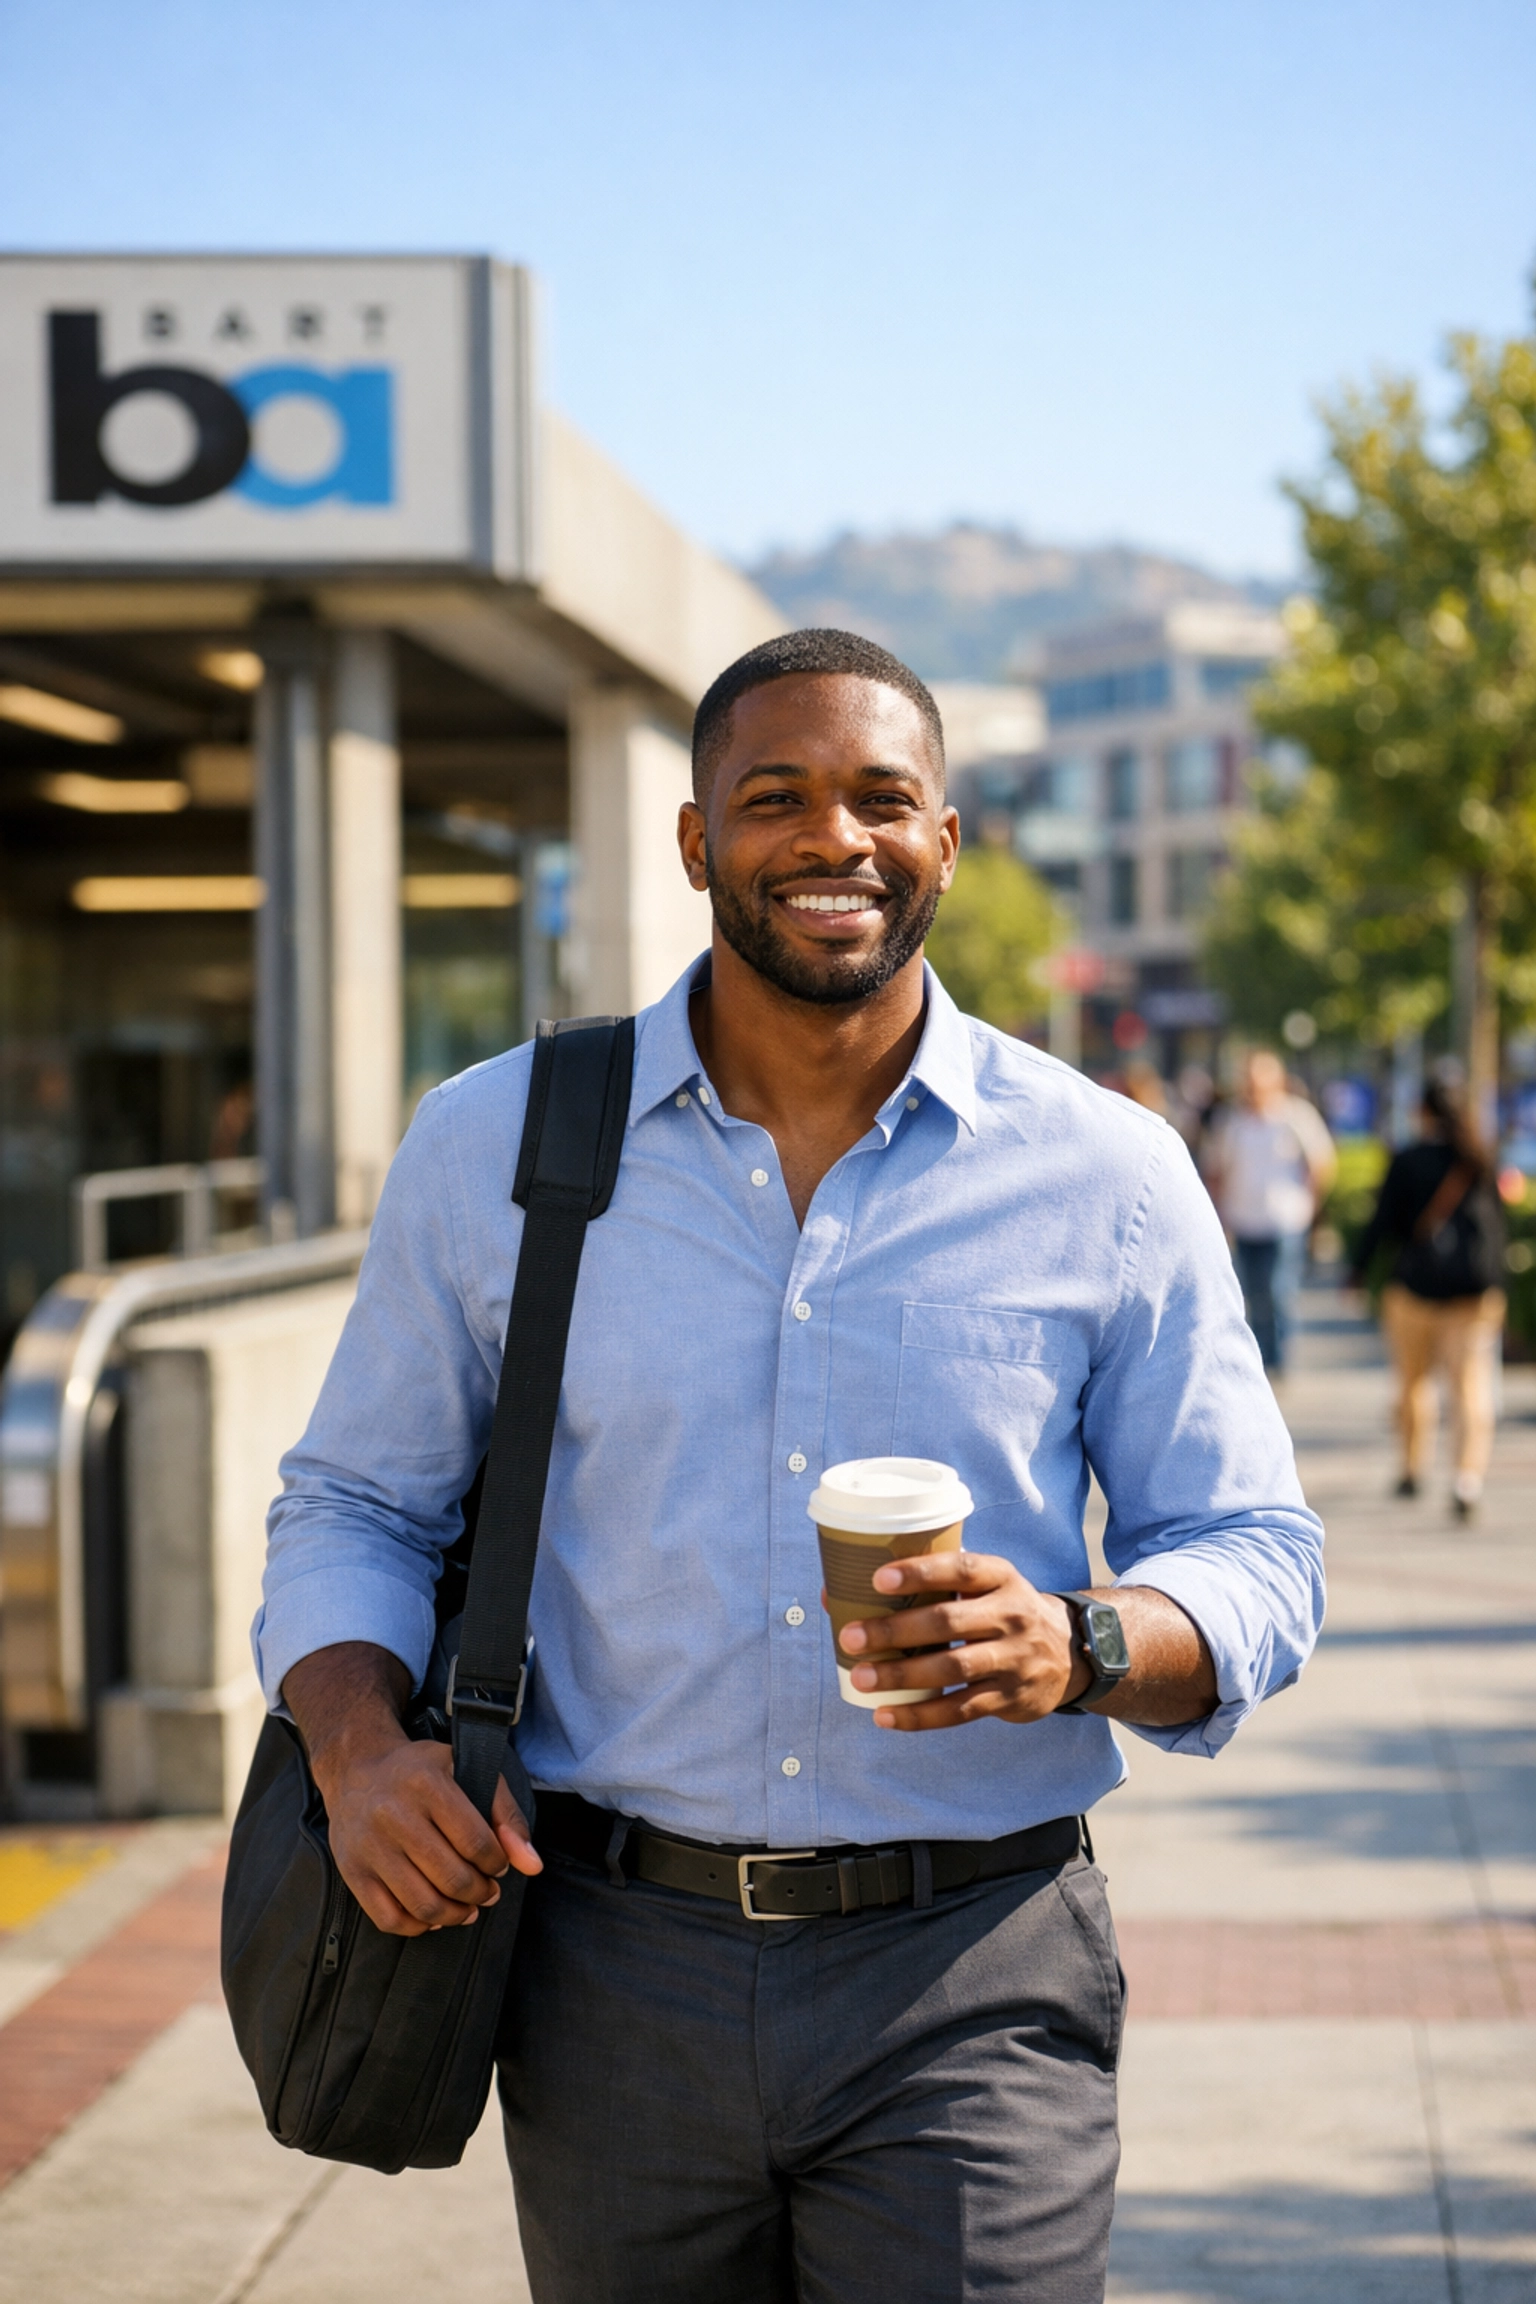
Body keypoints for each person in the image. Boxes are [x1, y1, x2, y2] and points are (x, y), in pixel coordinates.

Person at [256, 630, 1325, 2304]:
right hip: (610, 1968)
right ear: (696, 841)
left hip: (975, 1967)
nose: (835, 836)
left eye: (882, 797)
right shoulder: (500, 1143)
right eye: (775, 796)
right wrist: (355, 1748)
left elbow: (1254, 1542)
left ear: (947, 842)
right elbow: (358, 1503)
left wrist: (1078, 1641)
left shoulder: (1106, 1170)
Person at [1349, 1078, 1506, 1519]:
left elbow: (1382, 1222)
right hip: (1474, 1295)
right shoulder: (1479, 1159)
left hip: (1414, 1289)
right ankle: (1467, 1479)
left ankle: (1413, 1467)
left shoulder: (1409, 1159)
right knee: (1469, 1385)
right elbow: (1497, 1227)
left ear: (1422, 1111)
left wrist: (1358, 1270)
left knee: (1413, 1382)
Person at [1203, 1049, 1336, 1376]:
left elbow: (1322, 1162)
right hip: (1243, 1218)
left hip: (1284, 1220)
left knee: (1278, 1290)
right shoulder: (1230, 1121)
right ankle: (1257, 1357)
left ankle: (1277, 1358)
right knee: (1249, 1293)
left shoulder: (1296, 1116)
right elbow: (1216, 1170)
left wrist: (1309, 1203)